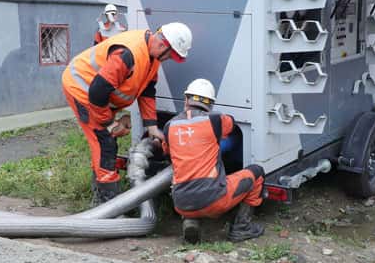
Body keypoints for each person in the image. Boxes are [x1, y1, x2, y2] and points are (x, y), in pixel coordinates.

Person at [62, 23, 192, 206]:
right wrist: (109, 123)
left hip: (101, 96)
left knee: (106, 141)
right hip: (82, 90)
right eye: (171, 55)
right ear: (163, 45)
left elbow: (147, 90)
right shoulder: (127, 54)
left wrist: (152, 126)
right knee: (104, 141)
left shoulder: (152, 57)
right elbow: (97, 91)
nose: (170, 59)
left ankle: (105, 196)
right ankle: (106, 205)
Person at [162, 79, 265, 243]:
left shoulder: (169, 126)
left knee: (188, 181)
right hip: (214, 201)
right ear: (210, 104)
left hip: (181, 203)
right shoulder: (215, 120)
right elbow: (231, 125)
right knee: (257, 172)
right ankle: (241, 228)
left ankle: (190, 220)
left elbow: (167, 153)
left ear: (186, 99)